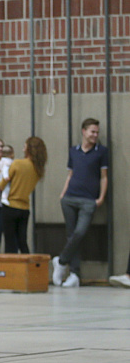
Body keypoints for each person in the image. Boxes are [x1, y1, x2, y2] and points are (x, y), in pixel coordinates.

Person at [52, 118, 109, 288]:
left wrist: (101, 198)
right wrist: (63, 194)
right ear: (83, 131)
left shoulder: (101, 151)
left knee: (79, 233)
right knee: (72, 236)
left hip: (88, 200)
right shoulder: (74, 151)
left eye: (97, 132)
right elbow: (70, 174)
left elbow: (104, 177)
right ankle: (74, 274)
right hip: (70, 198)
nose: (95, 135)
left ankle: (61, 261)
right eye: (92, 131)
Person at [0, 137, 48, 254]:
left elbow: (2, 185)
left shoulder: (17, 164)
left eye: (25, 146)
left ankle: (11, 270)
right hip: (25, 208)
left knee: (10, 242)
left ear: (29, 149)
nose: (23, 149)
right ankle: (28, 269)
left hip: (10, 206)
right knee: (22, 241)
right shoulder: (38, 169)